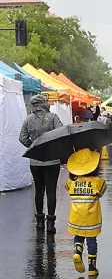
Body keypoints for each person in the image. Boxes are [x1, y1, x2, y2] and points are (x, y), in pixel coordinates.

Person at [19, 94, 63, 233]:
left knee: (39, 190)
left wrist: (33, 147)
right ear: (44, 103)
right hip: (52, 159)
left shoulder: (28, 119)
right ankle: (50, 223)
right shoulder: (53, 117)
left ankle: (39, 221)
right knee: (51, 191)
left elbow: (22, 138)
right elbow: (61, 133)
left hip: (35, 160)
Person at [65, 149, 107, 276]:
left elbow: (67, 189)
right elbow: (102, 192)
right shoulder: (98, 182)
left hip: (76, 217)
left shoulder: (71, 181)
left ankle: (77, 251)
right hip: (91, 220)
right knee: (91, 241)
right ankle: (92, 268)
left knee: (78, 236)